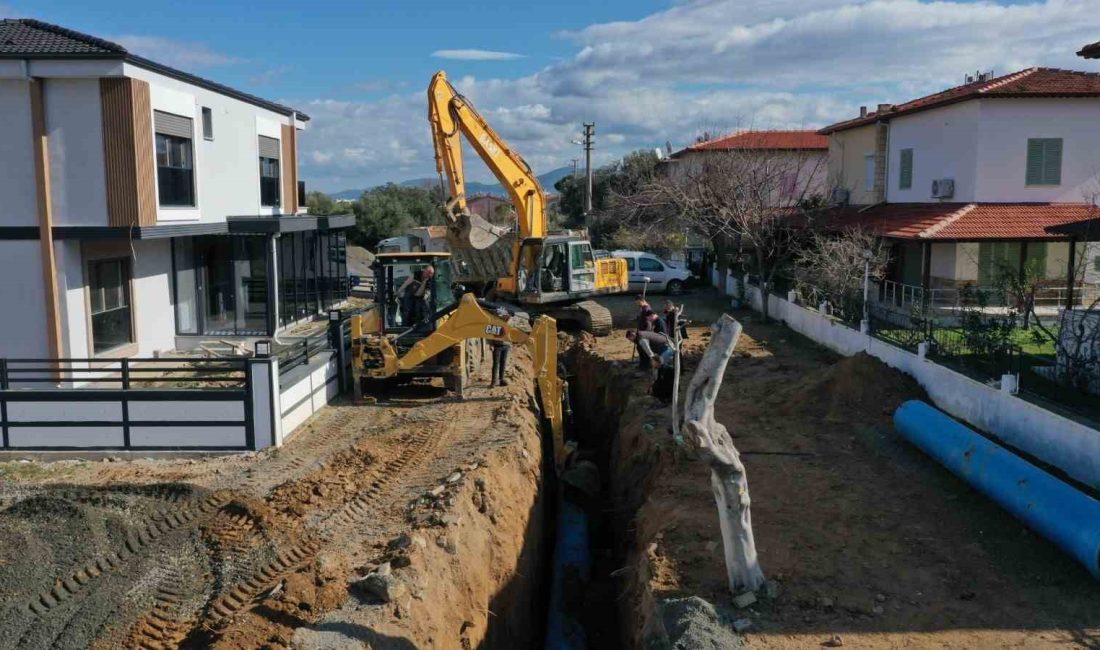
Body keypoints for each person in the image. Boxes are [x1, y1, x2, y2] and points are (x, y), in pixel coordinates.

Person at [626, 329, 676, 402]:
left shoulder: (642, 340)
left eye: (630, 339)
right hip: (668, 345)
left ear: (632, 335)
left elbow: (650, 354)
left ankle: (666, 394)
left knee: (662, 369)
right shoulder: (642, 333)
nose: (631, 341)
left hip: (667, 349)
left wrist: (654, 362)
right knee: (661, 370)